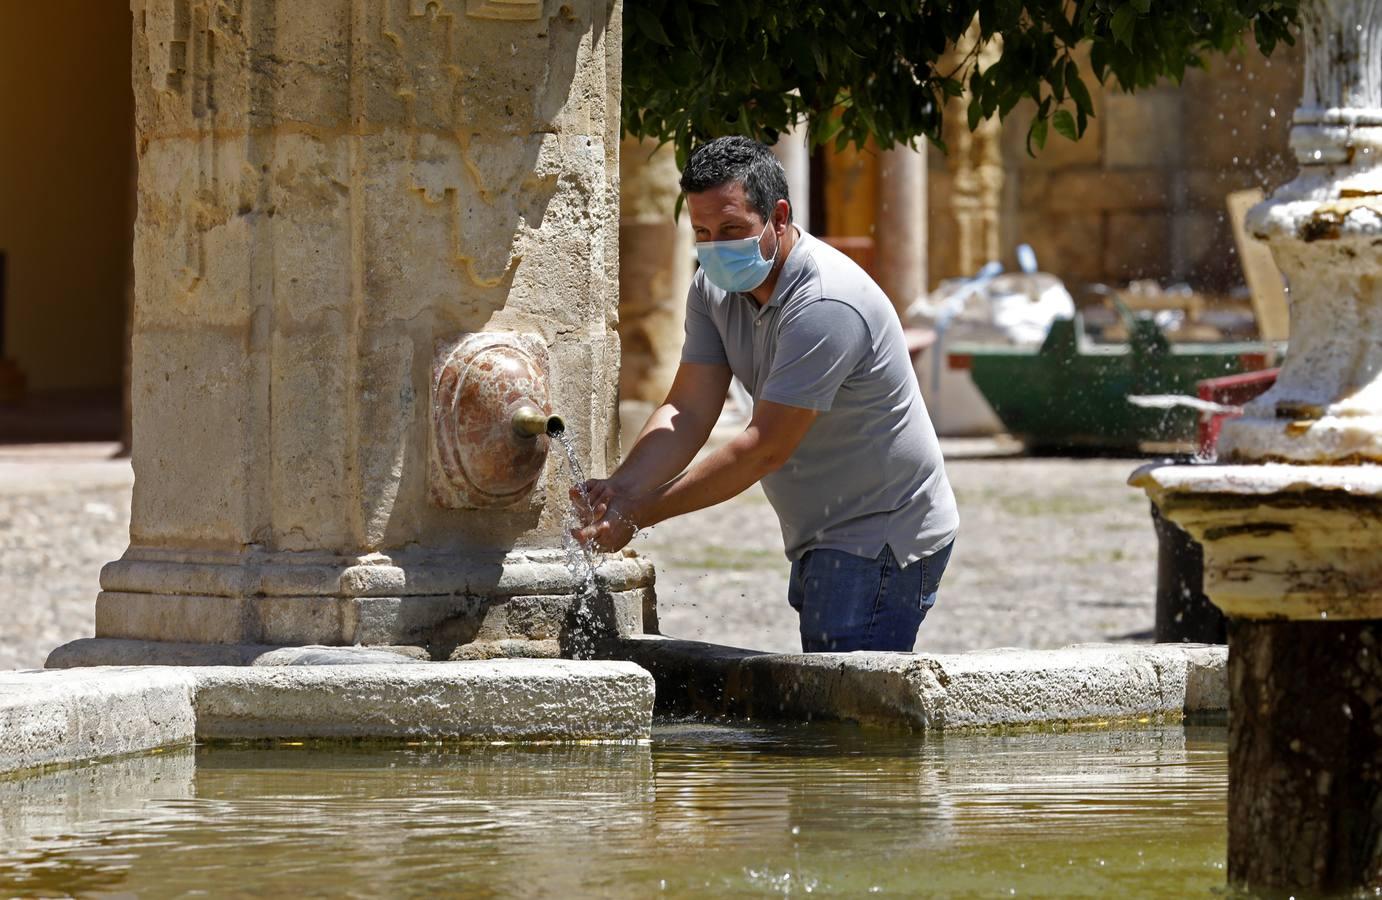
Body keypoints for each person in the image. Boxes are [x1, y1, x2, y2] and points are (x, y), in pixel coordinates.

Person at [572, 136, 958, 652]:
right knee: (827, 706)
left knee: (846, 718)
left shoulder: (826, 303)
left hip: (881, 532)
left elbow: (763, 447)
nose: (715, 247)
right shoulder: (713, 288)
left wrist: (637, 513)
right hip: (821, 530)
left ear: (778, 216)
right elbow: (688, 408)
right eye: (703, 232)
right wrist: (619, 490)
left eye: (732, 230)